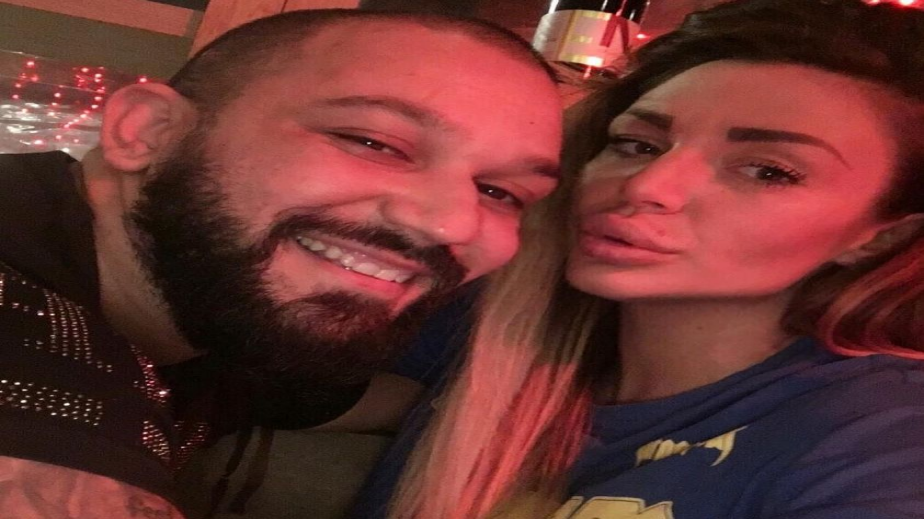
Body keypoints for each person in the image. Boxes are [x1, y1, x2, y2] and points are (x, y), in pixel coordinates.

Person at [357, 0, 924, 517]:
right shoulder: (498, 327)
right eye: (636, 144)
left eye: (767, 171)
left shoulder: (880, 437)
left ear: (882, 236)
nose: (646, 185)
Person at [0, 8, 564, 517]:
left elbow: (317, 397)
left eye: (500, 192)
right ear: (149, 131)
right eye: (373, 143)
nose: (453, 225)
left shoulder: (217, 306)